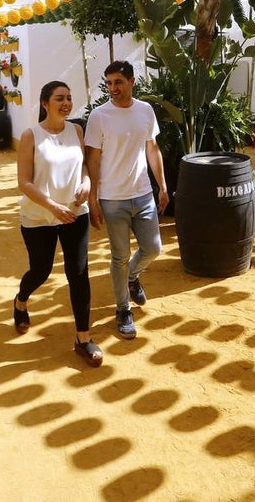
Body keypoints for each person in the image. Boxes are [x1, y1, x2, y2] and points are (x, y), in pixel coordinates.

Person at [14, 81, 102, 367]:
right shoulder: (31, 136)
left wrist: (87, 183)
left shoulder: (76, 130)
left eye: (68, 98)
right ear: (45, 103)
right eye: (59, 98)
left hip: (76, 213)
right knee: (40, 271)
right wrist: (52, 206)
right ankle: (21, 300)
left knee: (78, 274)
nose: (66, 103)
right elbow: (24, 182)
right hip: (39, 216)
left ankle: (83, 338)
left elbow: (85, 165)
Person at [85, 61, 168, 340]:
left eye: (118, 82)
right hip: (112, 198)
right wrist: (93, 198)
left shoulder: (145, 111)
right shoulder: (99, 116)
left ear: (132, 82)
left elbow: (152, 148)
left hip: (143, 193)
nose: (112, 88)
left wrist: (163, 186)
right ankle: (123, 310)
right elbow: (93, 159)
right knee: (119, 256)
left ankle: (132, 277)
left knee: (153, 248)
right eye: (108, 83)